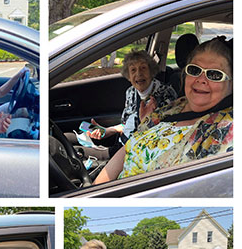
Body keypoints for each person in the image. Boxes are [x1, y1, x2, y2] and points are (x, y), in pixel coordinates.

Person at [95, 38, 233, 183]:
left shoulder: (225, 129)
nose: (201, 79)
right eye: (194, 70)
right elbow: (130, 146)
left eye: (215, 74)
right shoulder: (174, 107)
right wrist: (94, 190)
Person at [88, 50, 178, 156]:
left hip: (139, 151)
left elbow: (165, 135)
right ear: (129, 76)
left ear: (151, 71)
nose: (139, 73)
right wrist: (107, 131)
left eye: (143, 68)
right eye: (133, 70)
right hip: (123, 145)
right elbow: (128, 124)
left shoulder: (166, 94)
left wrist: (147, 122)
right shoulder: (131, 92)